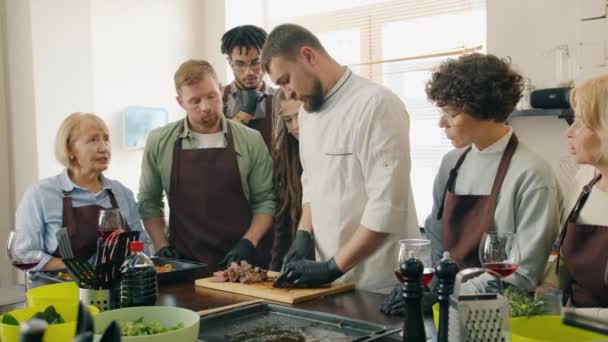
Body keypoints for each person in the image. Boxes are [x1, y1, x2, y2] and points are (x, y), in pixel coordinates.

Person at [262, 24, 420, 292]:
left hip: (379, 283)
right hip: (331, 282)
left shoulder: (376, 105)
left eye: (286, 80)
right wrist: (303, 233)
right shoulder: (307, 114)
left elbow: (386, 206)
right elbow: (312, 181)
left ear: (308, 56)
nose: (286, 93)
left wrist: (332, 267)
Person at [422, 53, 562, 293]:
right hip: (446, 302)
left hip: (499, 314)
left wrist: (447, 291)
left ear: (485, 111)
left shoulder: (532, 175)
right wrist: (426, 287)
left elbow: (522, 276)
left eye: (452, 114)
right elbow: (436, 237)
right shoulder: (451, 163)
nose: (442, 124)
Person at [138, 59, 276, 272]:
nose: (206, 107)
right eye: (195, 101)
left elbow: (266, 200)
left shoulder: (250, 140)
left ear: (221, 90)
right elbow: (149, 201)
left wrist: (249, 242)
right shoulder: (159, 141)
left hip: (242, 264)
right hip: (184, 264)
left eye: (211, 96)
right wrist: (161, 245)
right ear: (180, 102)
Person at [15, 112, 149, 271]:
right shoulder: (40, 195)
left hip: (118, 290)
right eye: (93, 140)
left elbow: (142, 245)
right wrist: (78, 268)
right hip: (59, 290)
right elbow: (24, 254)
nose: (104, 147)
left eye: (106, 139)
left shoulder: (122, 193)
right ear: (70, 149)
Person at [558, 74, 608, 312]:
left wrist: (575, 320)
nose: (569, 133)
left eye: (581, 122)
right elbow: (563, 260)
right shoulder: (585, 178)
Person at [268, 88, 314, 271]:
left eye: (299, 116)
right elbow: (282, 222)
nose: (295, 126)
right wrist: (275, 268)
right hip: (302, 258)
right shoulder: (284, 159)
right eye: (288, 120)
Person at [221, 25, 275, 148]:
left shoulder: (281, 98)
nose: (249, 72)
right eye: (240, 64)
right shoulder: (217, 99)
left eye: (256, 63)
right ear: (230, 62)